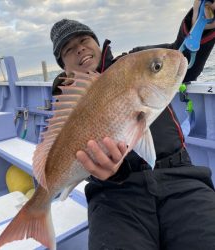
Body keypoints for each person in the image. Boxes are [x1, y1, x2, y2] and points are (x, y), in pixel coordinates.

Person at [50, 1, 215, 249]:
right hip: (114, 194)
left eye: (83, 39)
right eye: (68, 49)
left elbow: (181, 56)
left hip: (180, 177)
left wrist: (203, 22)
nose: (79, 49)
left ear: (96, 42)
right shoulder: (71, 103)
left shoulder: (138, 60)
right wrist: (111, 173)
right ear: (64, 66)